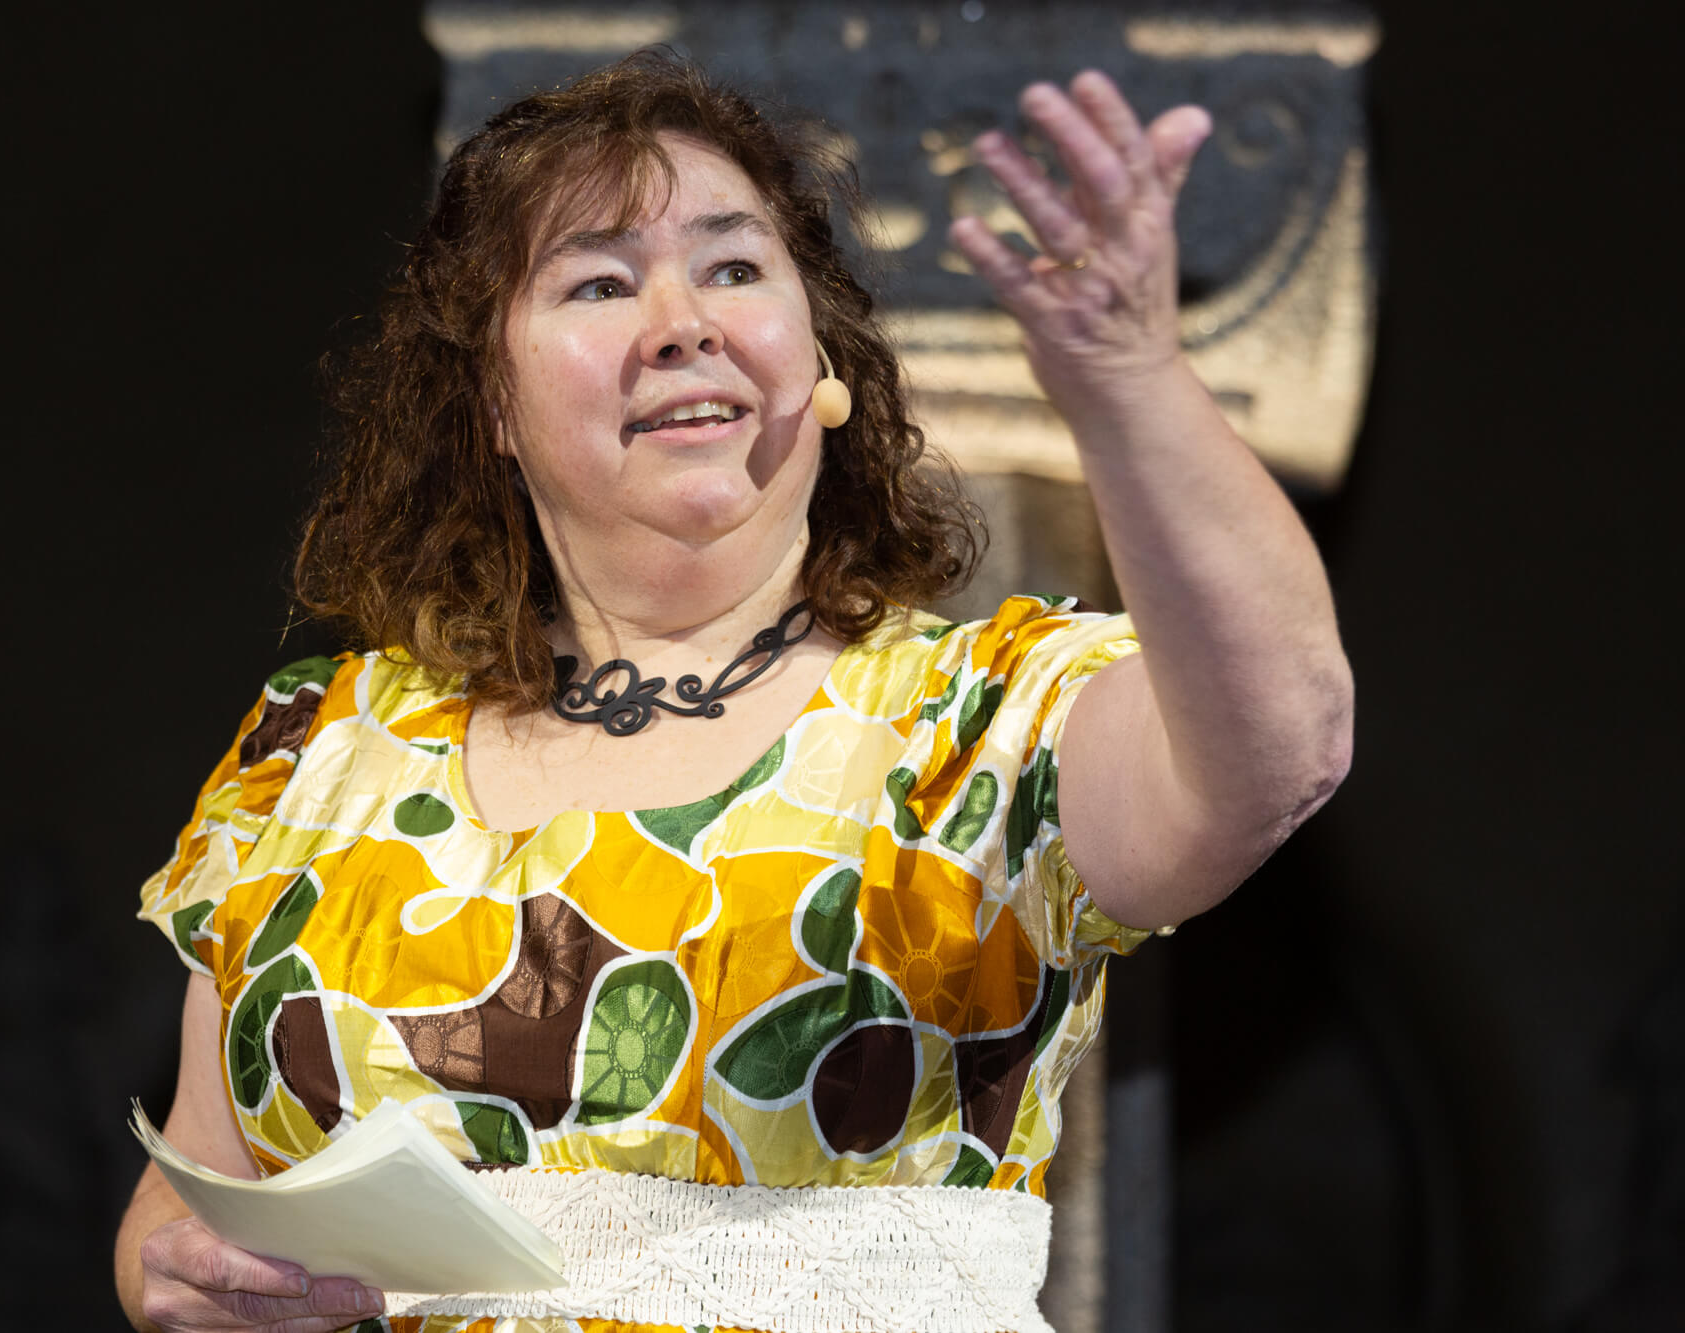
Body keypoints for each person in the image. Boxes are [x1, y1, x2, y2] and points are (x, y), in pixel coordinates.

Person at [114, 49, 1352, 1333]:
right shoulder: (319, 749)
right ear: (492, 401)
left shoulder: (979, 726)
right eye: (599, 282)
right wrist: (178, 1279)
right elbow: (185, 1198)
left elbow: (1281, 748)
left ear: (818, 358)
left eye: (733, 268)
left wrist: (1130, 380)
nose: (682, 322)